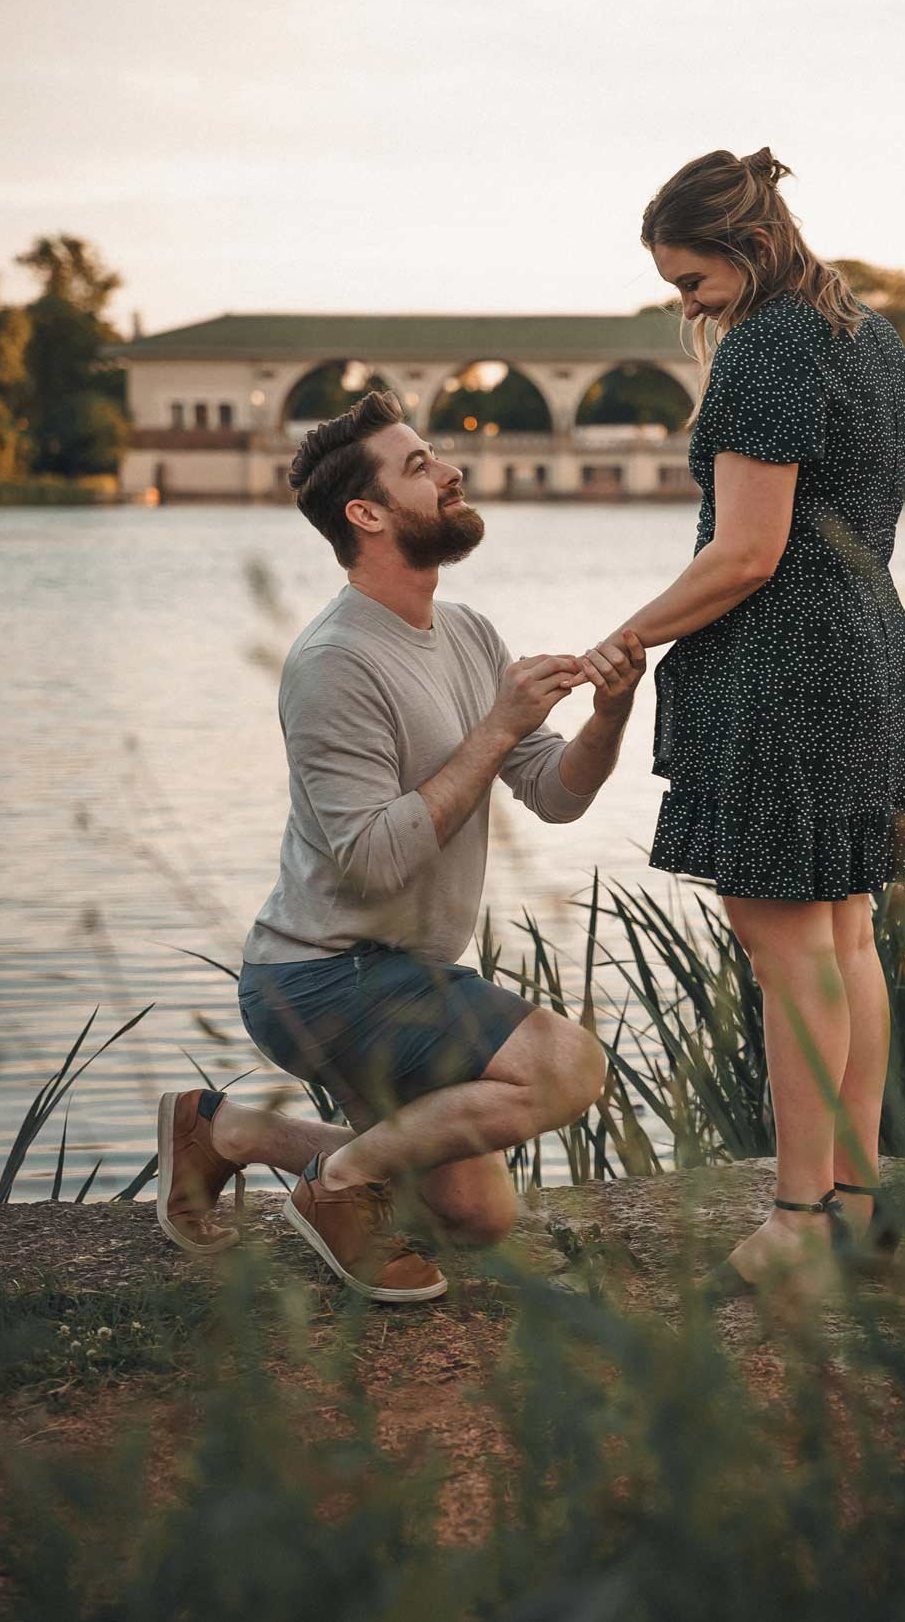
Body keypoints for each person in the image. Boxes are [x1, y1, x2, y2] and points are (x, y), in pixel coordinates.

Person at [156, 391, 645, 1302]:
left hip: (400, 972)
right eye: (420, 465)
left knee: (477, 1216)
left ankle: (226, 1134)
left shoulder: (465, 632)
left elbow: (556, 794)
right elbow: (373, 859)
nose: (451, 471)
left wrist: (610, 713)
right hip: (318, 975)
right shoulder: (334, 661)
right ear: (367, 514)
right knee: (570, 1067)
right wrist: (497, 726)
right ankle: (335, 1187)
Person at [575, 147, 905, 1294]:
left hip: (785, 664)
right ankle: (856, 1204)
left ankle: (794, 1223)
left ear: (743, 246)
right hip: (865, 643)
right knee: (841, 931)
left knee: (789, 949)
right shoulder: (866, 332)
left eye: (691, 281)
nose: (684, 305)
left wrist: (625, 638)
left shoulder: (770, 344)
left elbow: (745, 551)